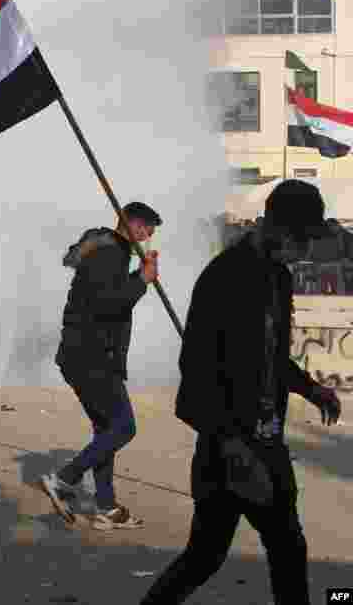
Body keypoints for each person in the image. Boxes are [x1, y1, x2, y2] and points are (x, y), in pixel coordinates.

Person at [139, 180, 342, 605]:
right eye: (299, 239)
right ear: (276, 227)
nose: (303, 249)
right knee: (208, 556)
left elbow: (273, 358)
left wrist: (313, 390)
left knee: (283, 549)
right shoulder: (224, 276)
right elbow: (194, 370)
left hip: (267, 444)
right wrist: (230, 444)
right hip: (226, 446)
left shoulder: (279, 278)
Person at [41, 201, 162, 530]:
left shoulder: (108, 248)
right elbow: (107, 303)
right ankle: (64, 479)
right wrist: (143, 279)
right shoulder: (111, 253)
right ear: (133, 224)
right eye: (147, 228)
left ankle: (106, 507)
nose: (149, 236)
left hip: (83, 356)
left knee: (106, 430)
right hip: (91, 357)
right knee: (124, 428)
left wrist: (138, 275)